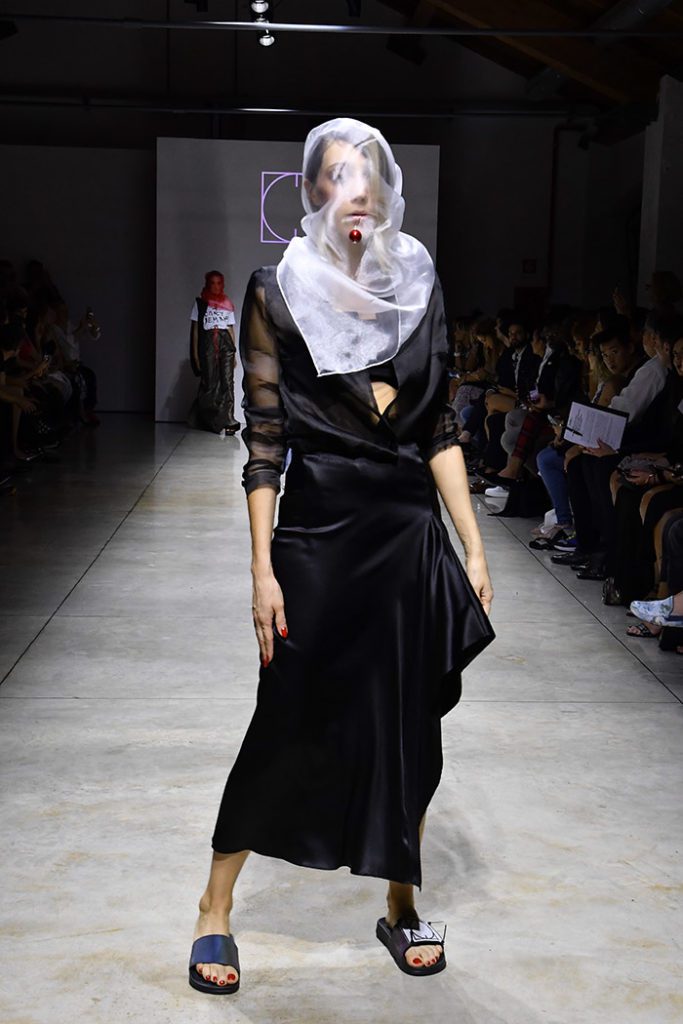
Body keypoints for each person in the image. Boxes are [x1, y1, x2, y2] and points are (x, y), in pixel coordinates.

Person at [187, 118, 495, 995]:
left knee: (410, 727)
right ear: (311, 192)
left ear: (385, 189)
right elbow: (265, 441)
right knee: (285, 718)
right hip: (319, 540)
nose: (353, 188)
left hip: (408, 541)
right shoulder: (277, 290)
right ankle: (213, 908)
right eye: (334, 175)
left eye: (366, 174)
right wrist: (261, 569)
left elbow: (439, 428)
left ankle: (399, 903)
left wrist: (473, 548)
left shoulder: (418, 283)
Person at [188, 271, 240, 435]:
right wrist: (196, 355)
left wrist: (234, 352)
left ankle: (229, 420)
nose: (216, 286)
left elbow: (230, 329)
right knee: (209, 382)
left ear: (222, 284)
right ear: (207, 284)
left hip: (226, 343)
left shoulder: (228, 304)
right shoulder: (201, 304)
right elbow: (195, 331)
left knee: (228, 382)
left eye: (219, 283)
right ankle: (209, 418)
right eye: (212, 282)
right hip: (208, 343)